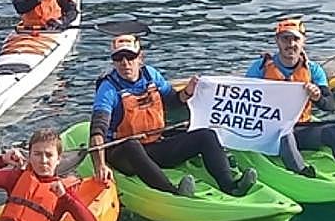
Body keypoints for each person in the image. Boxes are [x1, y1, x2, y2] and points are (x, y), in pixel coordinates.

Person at [90, 35, 257, 197]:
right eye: (118, 58)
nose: (125, 63)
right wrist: (100, 165)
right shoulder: (108, 88)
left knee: (206, 135)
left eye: (130, 57)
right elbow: (98, 129)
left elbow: (173, 101)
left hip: (154, 144)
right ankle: (172, 192)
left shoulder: (151, 75)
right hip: (123, 154)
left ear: (140, 57)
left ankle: (230, 185)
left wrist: (187, 92)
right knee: (132, 145)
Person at [245, 17, 335, 180]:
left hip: (302, 128)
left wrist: (317, 97)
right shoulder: (260, 67)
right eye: (285, 39)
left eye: (295, 39)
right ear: (277, 41)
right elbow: (245, 101)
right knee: (284, 131)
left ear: (303, 41)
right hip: (270, 133)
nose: (291, 44)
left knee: (334, 129)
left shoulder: (314, 70)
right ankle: (300, 171)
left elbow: (330, 106)